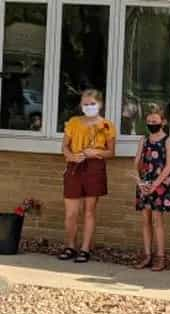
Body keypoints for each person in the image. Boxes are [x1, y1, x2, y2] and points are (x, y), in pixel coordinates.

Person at [58, 89, 116, 263]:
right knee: (71, 213)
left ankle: (85, 249)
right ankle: (70, 246)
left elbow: (111, 152)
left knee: (89, 212)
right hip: (75, 166)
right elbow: (64, 147)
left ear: (100, 104)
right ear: (81, 105)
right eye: (86, 104)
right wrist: (71, 156)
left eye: (92, 104)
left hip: (94, 167)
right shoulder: (74, 122)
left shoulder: (107, 125)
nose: (89, 107)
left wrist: (95, 152)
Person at [133, 103, 170, 271]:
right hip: (145, 183)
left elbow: (169, 166)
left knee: (157, 220)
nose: (151, 123)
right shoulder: (144, 140)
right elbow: (136, 163)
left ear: (163, 122)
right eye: (148, 121)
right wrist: (140, 183)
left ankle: (160, 256)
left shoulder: (167, 141)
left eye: (154, 120)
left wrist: (155, 184)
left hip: (161, 184)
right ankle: (147, 255)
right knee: (145, 220)